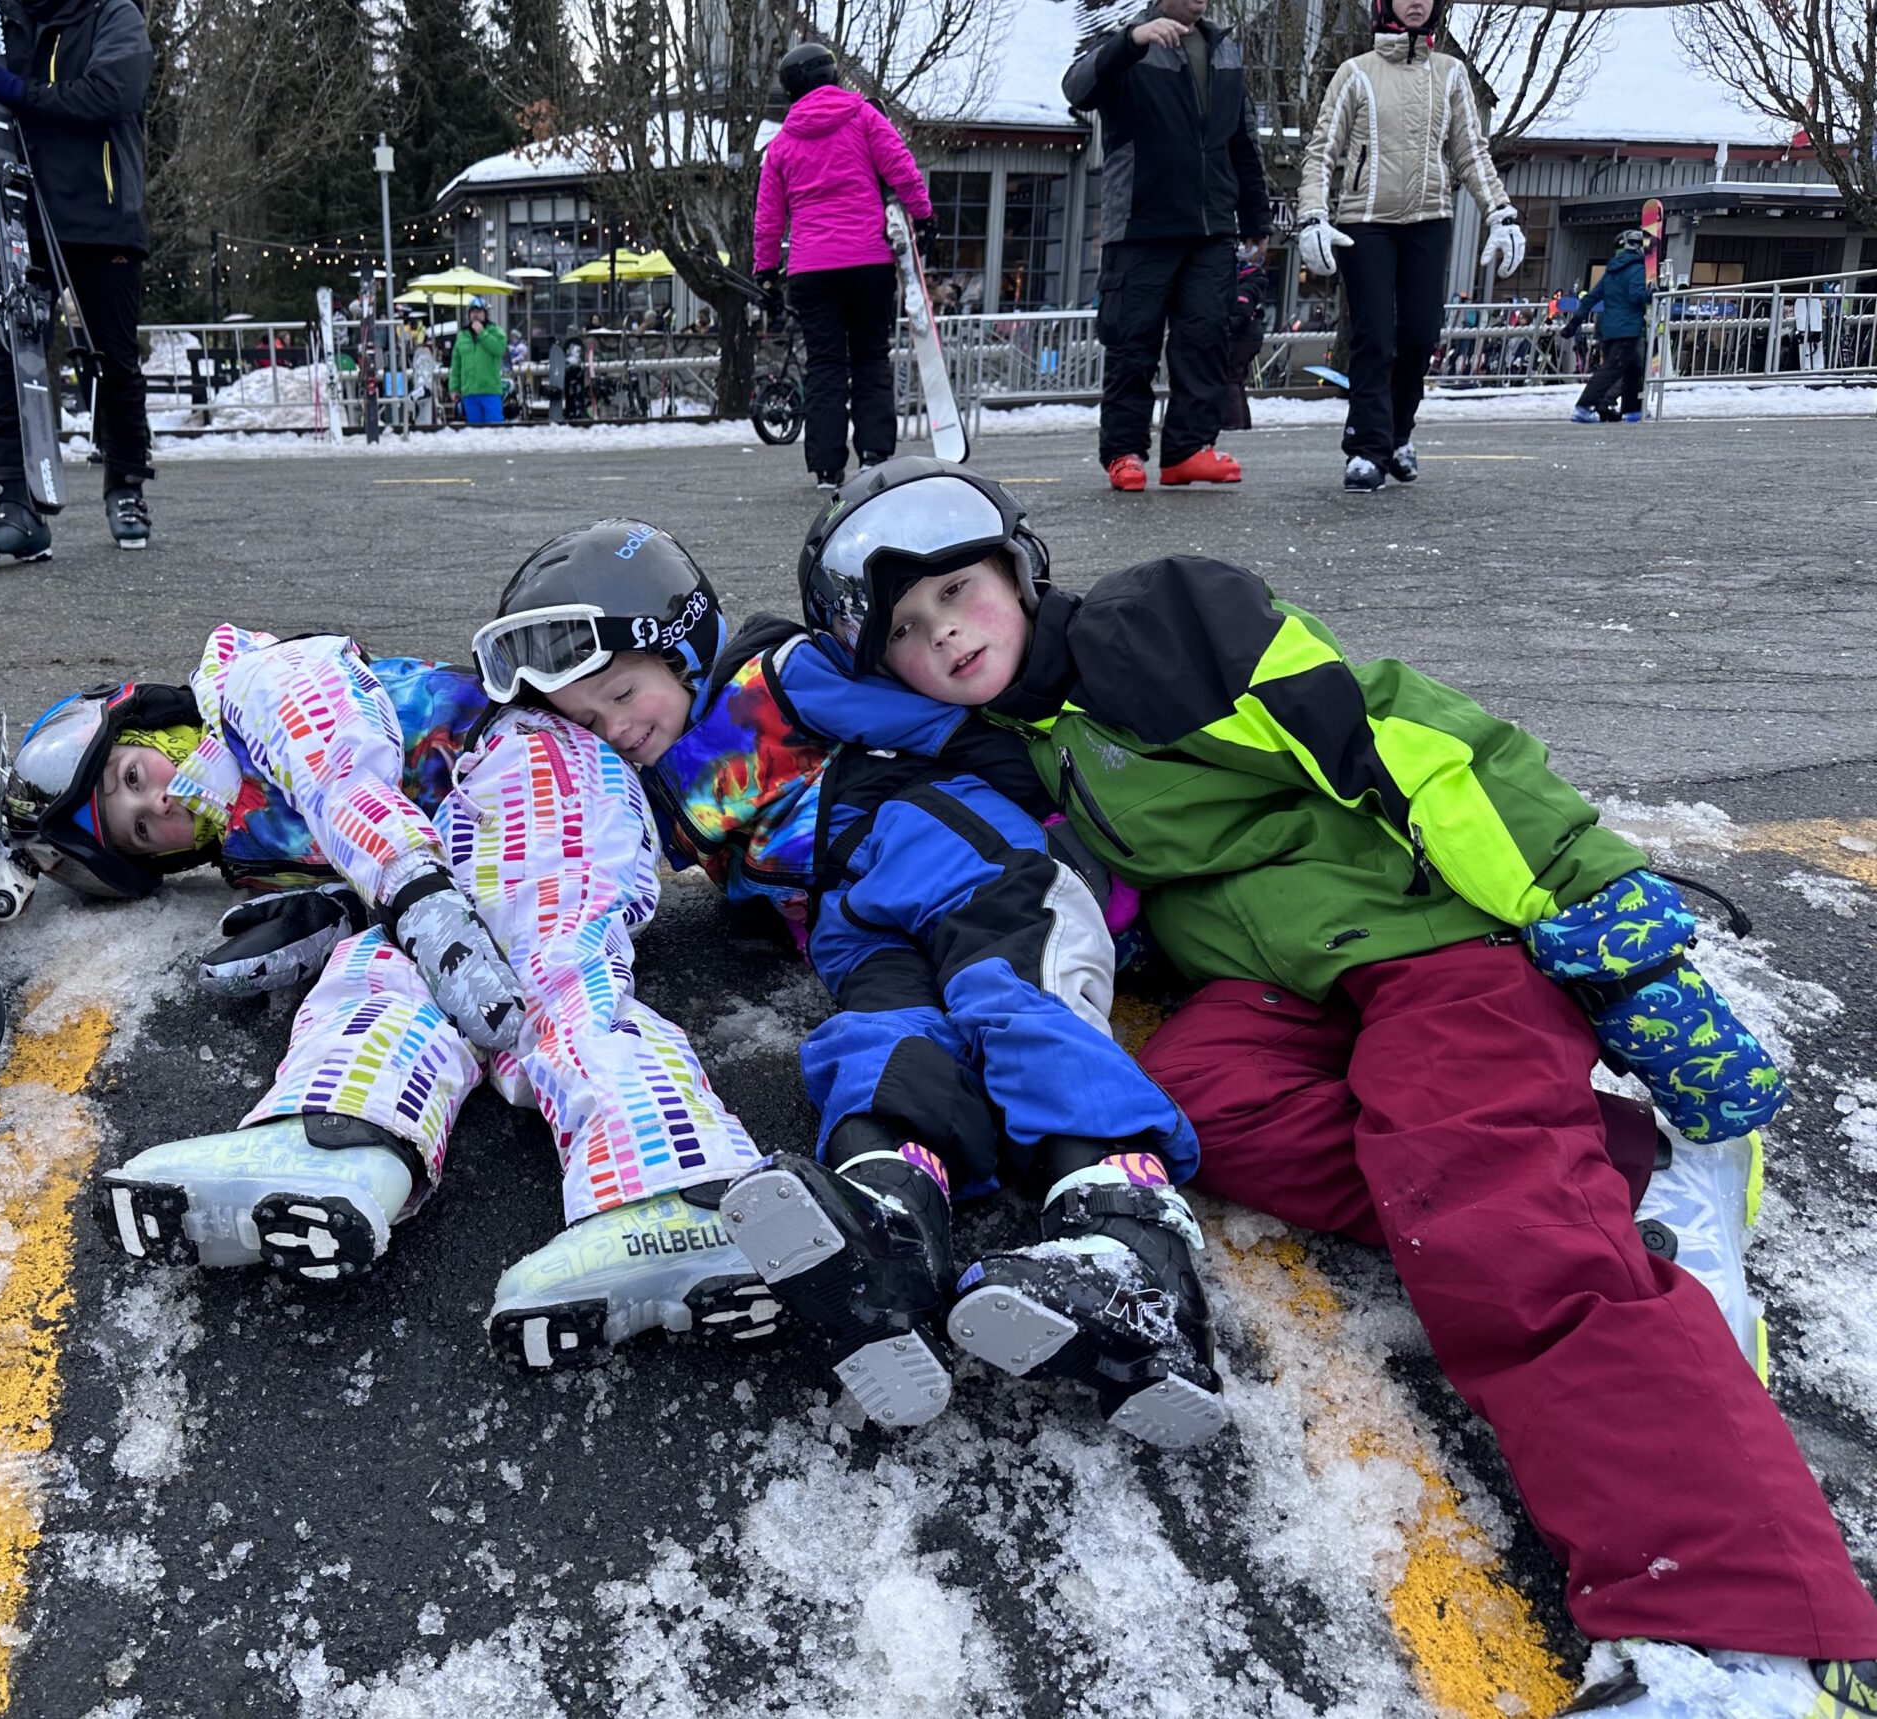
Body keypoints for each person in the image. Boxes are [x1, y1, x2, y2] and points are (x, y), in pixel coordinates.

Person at [787, 460, 1877, 1719]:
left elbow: (1419, 747)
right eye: (910, 633)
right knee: (1202, 1109)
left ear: (1020, 573)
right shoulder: (1011, 748)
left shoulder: (1157, 631)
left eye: (960, 594)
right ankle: (1620, 1168)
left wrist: (1610, 939)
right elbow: (784, 709)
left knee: (1483, 1212)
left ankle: (1742, 1636)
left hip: (1427, 950)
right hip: (1276, 995)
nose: (946, 637)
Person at [473, 512, 1227, 1445]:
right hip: (848, 923)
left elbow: (952, 719)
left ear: (683, 642)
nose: (617, 728)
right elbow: (567, 847)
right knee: (877, 1035)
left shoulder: (783, 682)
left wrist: (1077, 835)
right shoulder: (650, 785)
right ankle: (891, 1222)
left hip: (954, 849)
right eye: (588, 721)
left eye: (623, 694)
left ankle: (1132, 1246)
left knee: (1013, 998)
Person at [15, 629, 783, 1370]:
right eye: (143, 831)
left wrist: (413, 892)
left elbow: (341, 772)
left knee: (554, 976)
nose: (159, 807)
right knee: (380, 971)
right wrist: (331, 911)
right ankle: (341, 1141)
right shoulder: (246, 847)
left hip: (528, 767)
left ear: (152, 723)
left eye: (133, 775)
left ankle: (687, 1188)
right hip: (455, 850)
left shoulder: (248, 685)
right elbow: (363, 880)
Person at [1292, 0, 1526, 490]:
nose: (1416, 1)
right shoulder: (1356, 74)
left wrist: (1500, 213)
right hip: (1366, 222)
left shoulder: (1451, 73)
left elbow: (1470, 151)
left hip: (1429, 220)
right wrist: (1313, 214)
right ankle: (1366, 449)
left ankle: (1399, 434)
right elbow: (1321, 151)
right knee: (1374, 337)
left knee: (1420, 337)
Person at [0, 0, 156, 559]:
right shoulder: (13, 25)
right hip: (27, 216)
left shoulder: (114, 16)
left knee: (114, 359)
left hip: (103, 217)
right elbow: (3, 113)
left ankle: (125, 487)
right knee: (10, 357)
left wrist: (22, 97)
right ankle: (16, 504)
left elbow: (113, 93)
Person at [1062, 0, 1273, 492]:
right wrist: (1131, 42)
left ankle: (1188, 450)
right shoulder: (1128, 42)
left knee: (1204, 339)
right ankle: (1124, 451)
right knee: (1132, 343)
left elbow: (1242, 141)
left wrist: (1256, 216)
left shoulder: (1224, 50)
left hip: (1212, 226)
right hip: (1140, 222)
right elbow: (1077, 88)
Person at [752, 41, 934, 492]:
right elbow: (901, 168)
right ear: (832, 76)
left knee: (826, 364)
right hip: (868, 259)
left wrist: (766, 270)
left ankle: (827, 467)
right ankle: (874, 454)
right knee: (871, 355)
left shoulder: (781, 147)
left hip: (811, 268)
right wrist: (924, 216)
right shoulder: (866, 119)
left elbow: (768, 217)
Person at [1572, 230, 1654, 422]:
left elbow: (1592, 296)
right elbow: (1636, 295)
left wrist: (1575, 320)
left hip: (1607, 328)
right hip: (1627, 329)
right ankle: (1583, 406)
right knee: (1611, 371)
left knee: (1634, 368)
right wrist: (1651, 293)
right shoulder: (1636, 268)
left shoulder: (1611, 270)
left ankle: (1632, 410)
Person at [1222, 241, 1268, 429]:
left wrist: (1227, 326)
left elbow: (1241, 310)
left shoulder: (1247, 281)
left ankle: (1234, 423)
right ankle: (1241, 423)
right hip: (1248, 335)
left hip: (1242, 336)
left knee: (1231, 378)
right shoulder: (1246, 279)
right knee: (1236, 379)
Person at [450, 301, 507, 424]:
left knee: (495, 430)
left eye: (479, 312)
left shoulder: (496, 331)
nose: (476, 315)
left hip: (490, 391)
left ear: (485, 314)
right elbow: (456, 365)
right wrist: (454, 388)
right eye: (473, 312)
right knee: (475, 433)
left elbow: (499, 349)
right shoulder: (462, 336)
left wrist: (482, 333)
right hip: (469, 392)